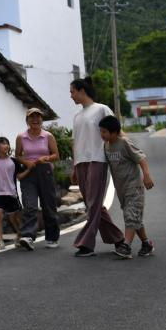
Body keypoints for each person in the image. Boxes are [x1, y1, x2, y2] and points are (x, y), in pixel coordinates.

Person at [69, 77, 127, 258]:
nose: (71, 96)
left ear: (82, 91)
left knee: (93, 203)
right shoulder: (77, 116)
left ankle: (86, 244)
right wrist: (74, 166)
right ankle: (118, 238)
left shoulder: (101, 109)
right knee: (92, 204)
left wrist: (126, 152)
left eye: (72, 92)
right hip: (81, 162)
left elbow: (117, 131)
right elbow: (75, 142)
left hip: (98, 159)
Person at [98, 116, 155, 259]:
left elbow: (141, 158)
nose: (101, 134)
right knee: (134, 218)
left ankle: (126, 246)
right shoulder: (106, 146)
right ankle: (146, 244)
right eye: (101, 131)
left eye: (104, 131)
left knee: (131, 216)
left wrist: (146, 175)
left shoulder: (124, 143)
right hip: (121, 189)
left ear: (114, 132)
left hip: (134, 187)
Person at [15, 108, 62, 250]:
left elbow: (56, 155)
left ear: (42, 120)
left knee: (48, 205)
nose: (35, 119)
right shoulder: (21, 137)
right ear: (27, 120)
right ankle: (28, 236)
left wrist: (45, 158)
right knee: (30, 205)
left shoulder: (48, 136)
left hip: (45, 171)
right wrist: (26, 162)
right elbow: (18, 155)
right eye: (32, 117)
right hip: (29, 171)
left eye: (38, 117)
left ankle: (52, 237)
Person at [0, 137, 27, 250]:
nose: (6, 146)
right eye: (3, 143)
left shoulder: (14, 162)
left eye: (7, 144)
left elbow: (19, 176)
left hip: (11, 194)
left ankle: (20, 236)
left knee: (14, 219)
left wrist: (29, 169)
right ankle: (0, 241)